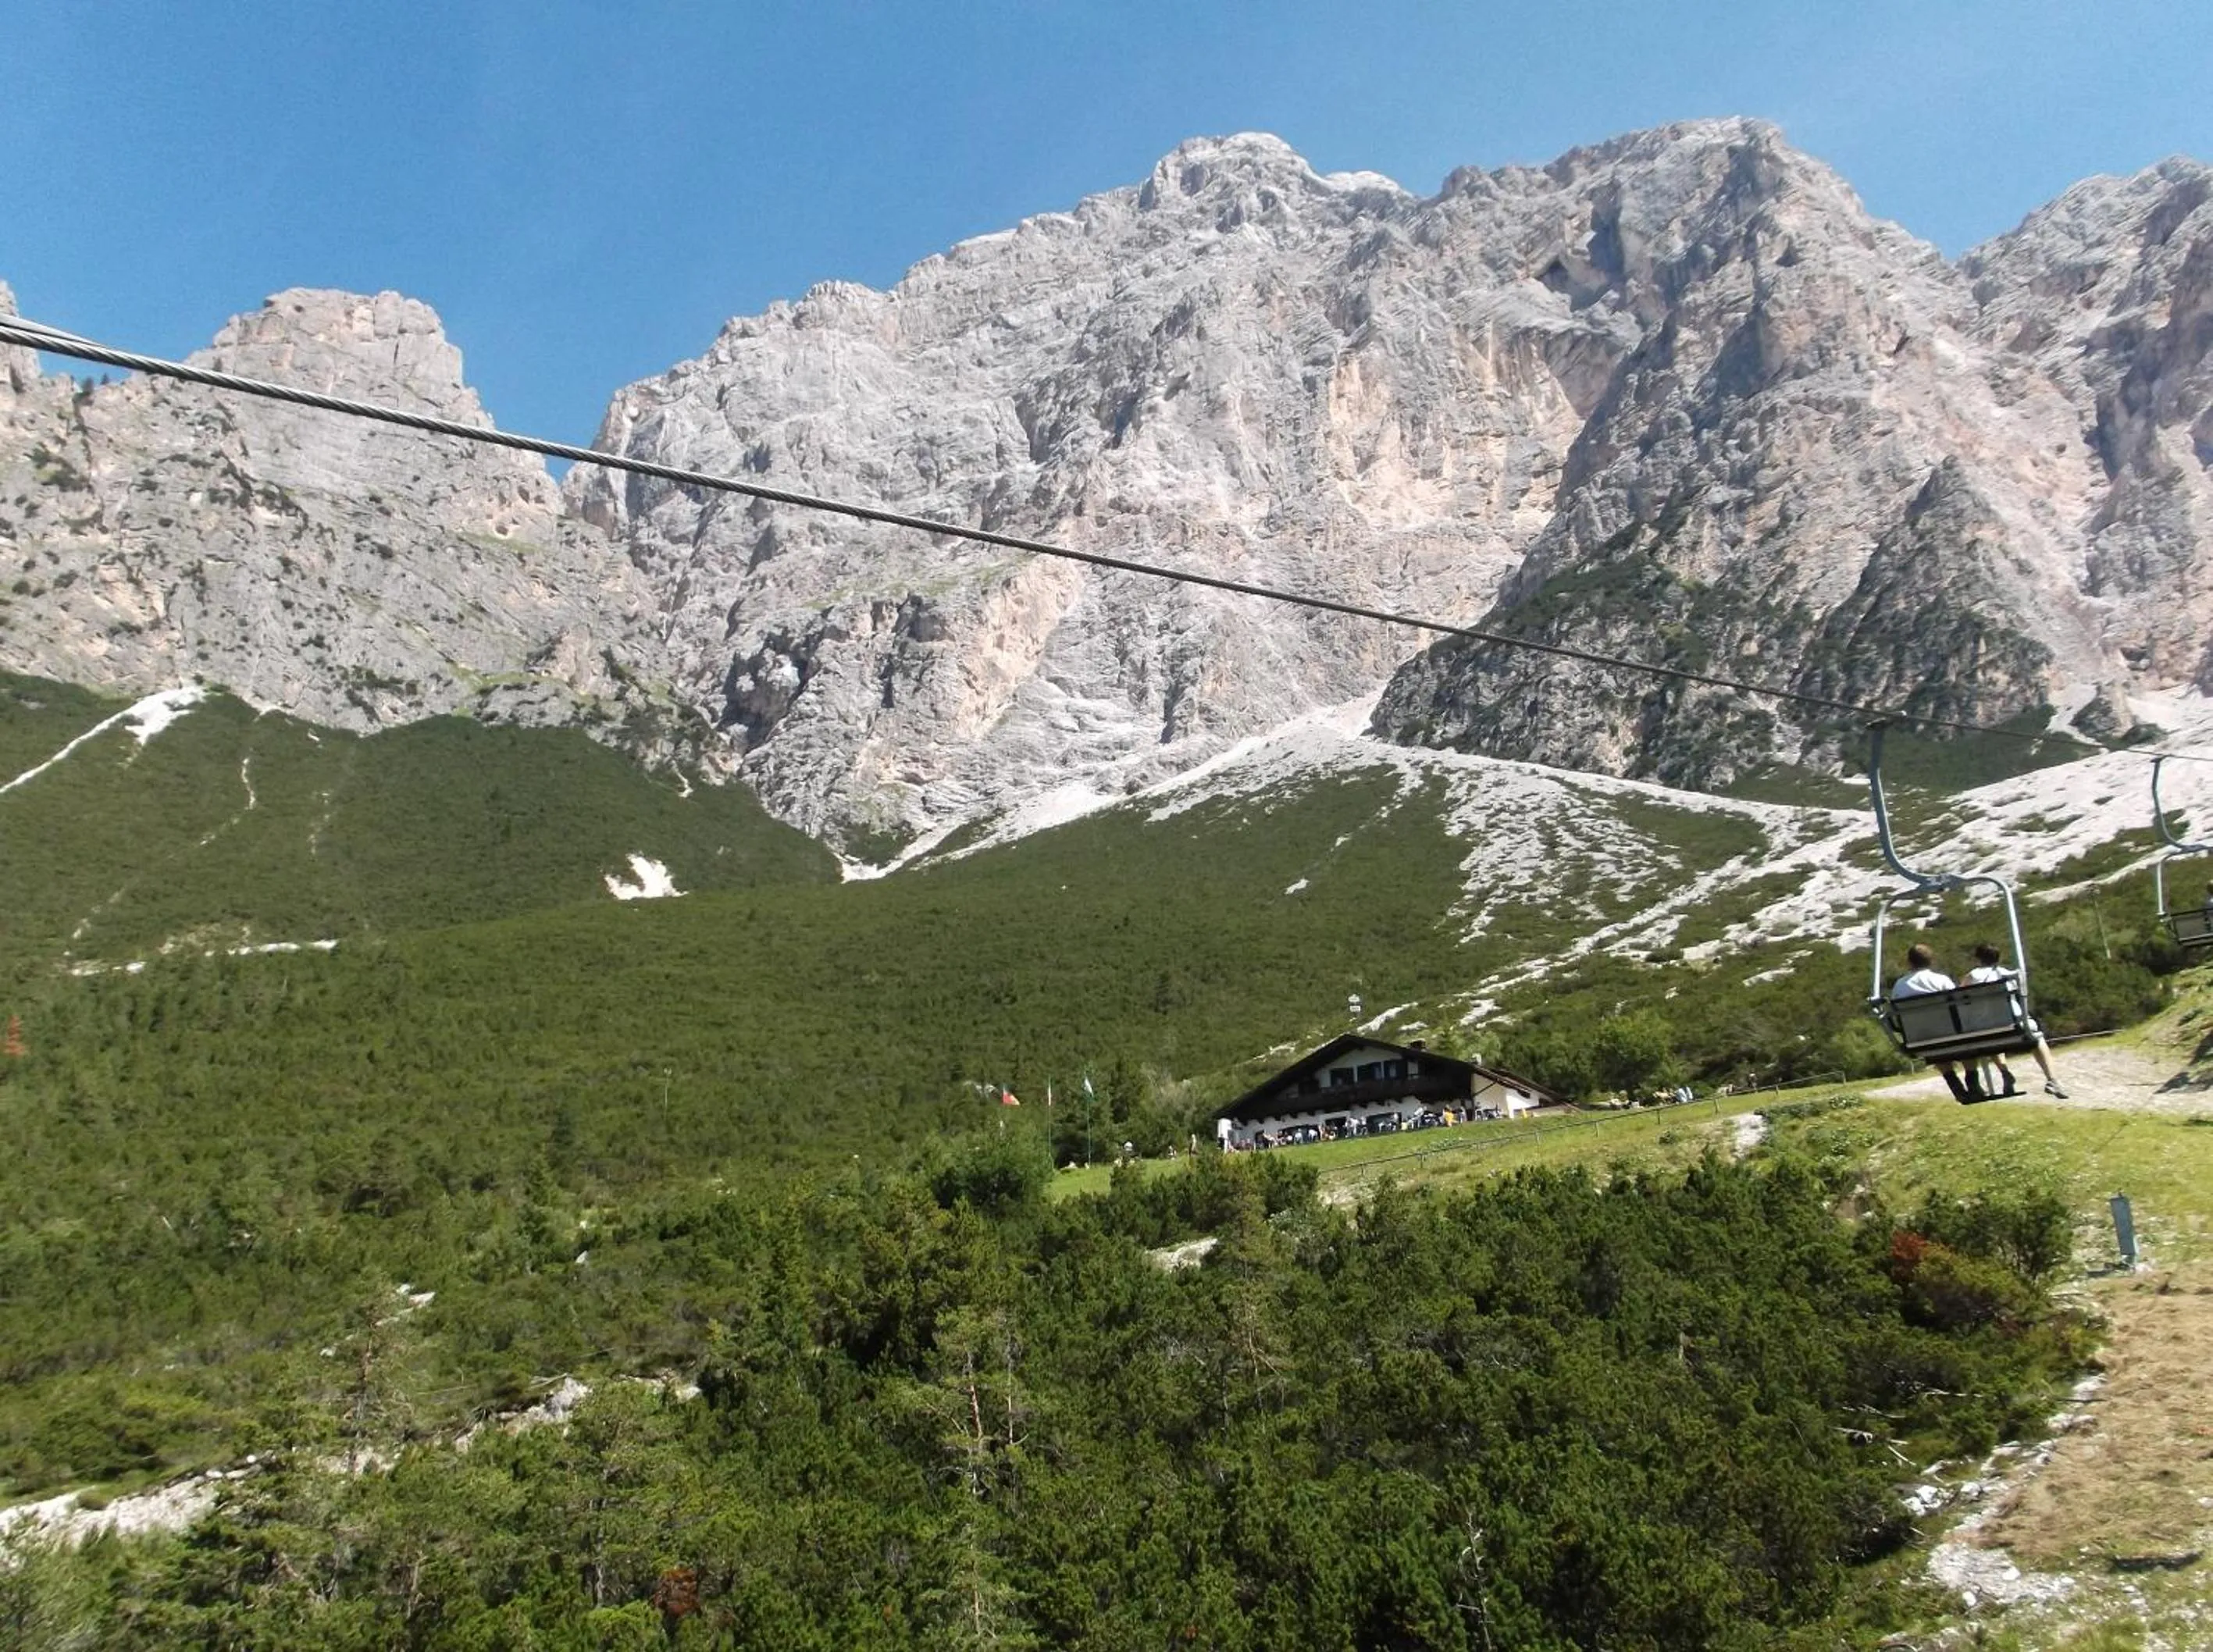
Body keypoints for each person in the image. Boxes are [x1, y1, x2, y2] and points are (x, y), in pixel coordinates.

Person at [1963, 942, 2068, 1098]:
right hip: (2011, 1024)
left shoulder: (1971, 976)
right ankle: (2052, 1079)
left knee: (1992, 1038)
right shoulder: (2007, 974)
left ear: (1978, 958)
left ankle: (2005, 1072)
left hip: (1984, 1028)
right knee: (2036, 1037)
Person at [1891, 942, 1982, 1103]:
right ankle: (1972, 1081)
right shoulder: (1940, 980)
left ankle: (1954, 1085)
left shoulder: (1900, 985)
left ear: (1910, 962)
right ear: (1931, 961)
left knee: (1935, 1045)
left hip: (1919, 1036)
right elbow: (1957, 1002)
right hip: (1949, 1031)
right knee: (1965, 1041)